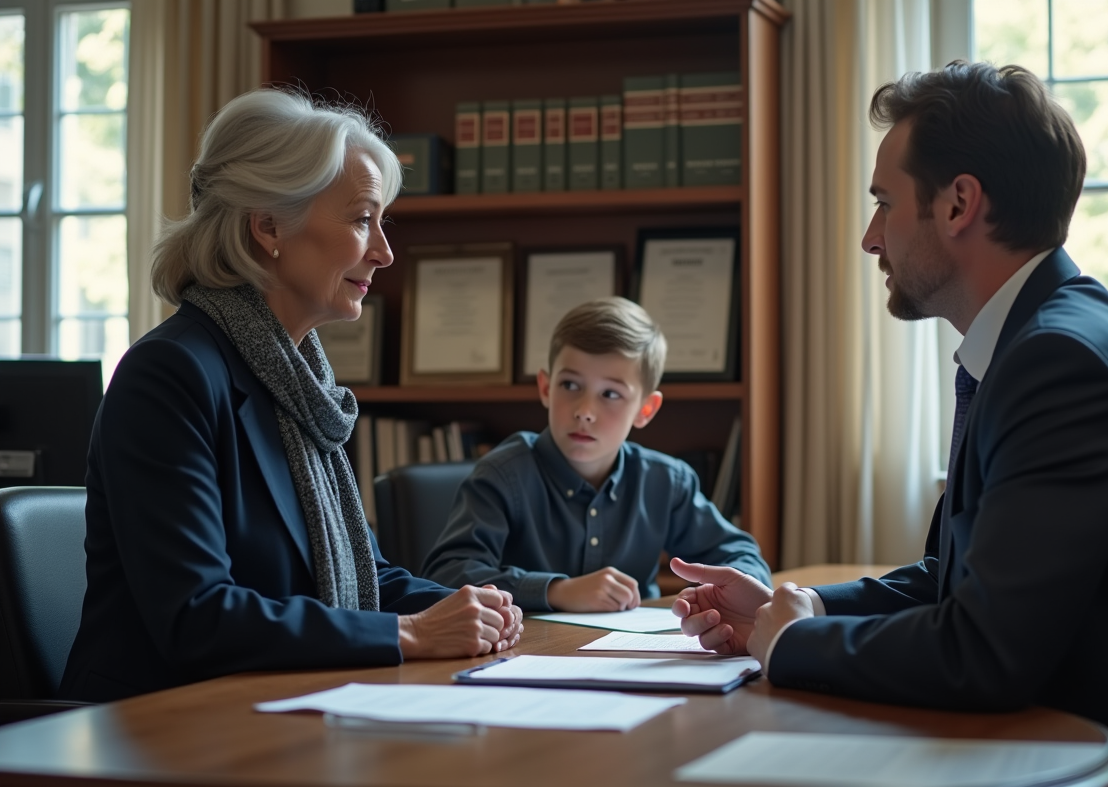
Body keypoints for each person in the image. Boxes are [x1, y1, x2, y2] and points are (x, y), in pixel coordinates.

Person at [671, 61, 1108, 752]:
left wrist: (797, 644)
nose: (870, 236)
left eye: (885, 203)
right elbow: (952, 583)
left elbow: (982, 654)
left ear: (958, 204)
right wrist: (797, 608)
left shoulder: (1059, 365)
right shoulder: (1029, 341)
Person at [60, 89, 522, 703]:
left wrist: (470, 608)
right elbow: (196, 616)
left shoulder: (299, 381)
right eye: (362, 220)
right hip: (160, 728)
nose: (384, 252)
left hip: (285, 706)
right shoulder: (169, 375)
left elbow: (363, 576)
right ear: (269, 226)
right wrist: (409, 634)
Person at [421, 297, 771, 612]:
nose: (585, 410)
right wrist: (556, 590)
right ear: (545, 387)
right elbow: (448, 573)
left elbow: (741, 558)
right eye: (570, 385)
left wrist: (729, 595)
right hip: (527, 658)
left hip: (629, 660)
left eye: (611, 394)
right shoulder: (503, 474)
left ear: (646, 409)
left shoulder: (666, 481)